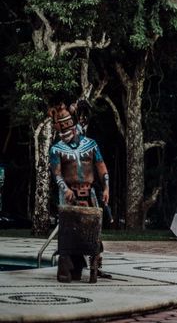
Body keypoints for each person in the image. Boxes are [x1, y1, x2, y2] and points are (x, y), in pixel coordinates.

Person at [49, 103, 110, 283]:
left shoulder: (91, 144)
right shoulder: (56, 149)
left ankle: (90, 264)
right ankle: (68, 266)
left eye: (68, 123)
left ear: (75, 123)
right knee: (68, 231)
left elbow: (101, 167)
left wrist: (106, 187)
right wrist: (65, 189)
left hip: (89, 193)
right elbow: (57, 174)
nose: (65, 127)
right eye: (61, 124)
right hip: (68, 195)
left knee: (92, 231)